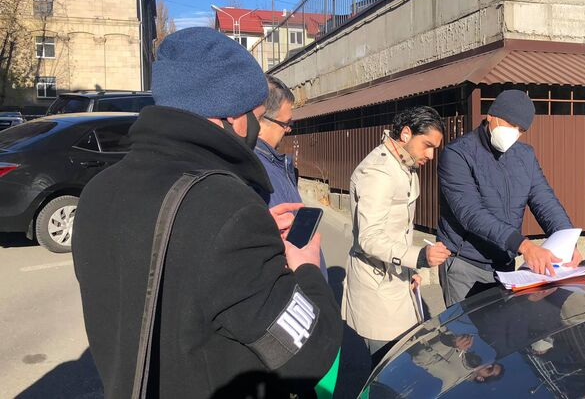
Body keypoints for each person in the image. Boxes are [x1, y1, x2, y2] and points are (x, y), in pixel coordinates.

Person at [72, 27, 341, 398]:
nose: (255, 128)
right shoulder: (226, 206)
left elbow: (176, 268)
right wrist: (307, 266)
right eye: (255, 115)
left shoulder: (98, 190)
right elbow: (310, 353)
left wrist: (253, 240)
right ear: (233, 115)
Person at [437, 90, 582, 307]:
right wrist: (523, 245)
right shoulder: (458, 154)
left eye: (520, 129)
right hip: (466, 263)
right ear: (491, 116)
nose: (514, 132)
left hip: (505, 263)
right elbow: (470, 213)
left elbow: (545, 201)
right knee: (466, 327)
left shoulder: (525, 155)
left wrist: (568, 241)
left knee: (504, 325)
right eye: (510, 124)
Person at [342, 106, 451, 364]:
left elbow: (397, 230)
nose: (431, 155)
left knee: (403, 359)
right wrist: (419, 257)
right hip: (377, 287)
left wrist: (409, 269)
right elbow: (370, 238)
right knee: (388, 366)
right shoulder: (379, 172)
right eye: (427, 145)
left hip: (396, 278)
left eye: (434, 148)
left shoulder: (404, 166)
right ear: (405, 134)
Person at [254, 75, 327, 280]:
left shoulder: (274, 163)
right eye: (285, 123)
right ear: (260, 119)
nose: (288, 129)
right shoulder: (257, 171)